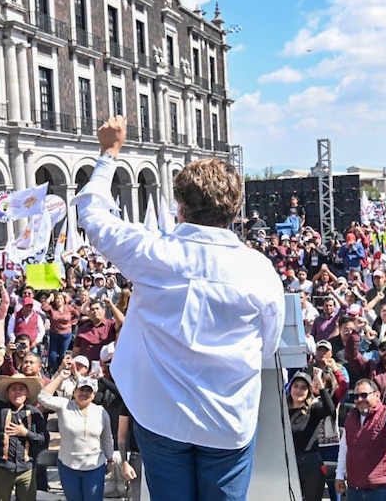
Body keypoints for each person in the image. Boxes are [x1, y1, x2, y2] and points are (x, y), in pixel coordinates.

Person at [71, 116, 284, 500]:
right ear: (234, 211)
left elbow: (92, 212)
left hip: (161, 416)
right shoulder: (259, 270)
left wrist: (109, 153)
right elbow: (267, 347)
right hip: (227, 419)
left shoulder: (154, 252)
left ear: (180, 207)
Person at [39, 359, 114, 501]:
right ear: (75, 391)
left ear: (93, 394)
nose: (84, 394)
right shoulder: (64, 405)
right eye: (81, 390)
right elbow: (43, 397)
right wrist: (61, 376)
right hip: (68, 466)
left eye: (88, 391)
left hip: (94, 466)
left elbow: (107, 437)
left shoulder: (101, 411)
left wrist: (110, 459)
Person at [334, 378, 386, 501]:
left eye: (364, 395)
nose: (359, 400)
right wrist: (339, 475)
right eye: (356, 396)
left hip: (381, 490)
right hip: (354, 488)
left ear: (377, 395)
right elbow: (345, 447)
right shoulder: (351, 417)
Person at [0, 372, 48, 501]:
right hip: (3, 468)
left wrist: (26, 433)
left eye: (21, 389)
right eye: (13, 389)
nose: (17, 392)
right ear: (7, 393)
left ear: (27, 393)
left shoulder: (34, 413)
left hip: (26, 469)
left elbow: (43, 439)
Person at [286, 369, 336, 501]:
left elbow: (330, 409)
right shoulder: (282, 410)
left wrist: (320, 383)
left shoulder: (313, 409)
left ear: (308, 391)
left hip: (310, 463)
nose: (298, 390)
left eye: (303, 388)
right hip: (287, 463)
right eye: (295, 386)